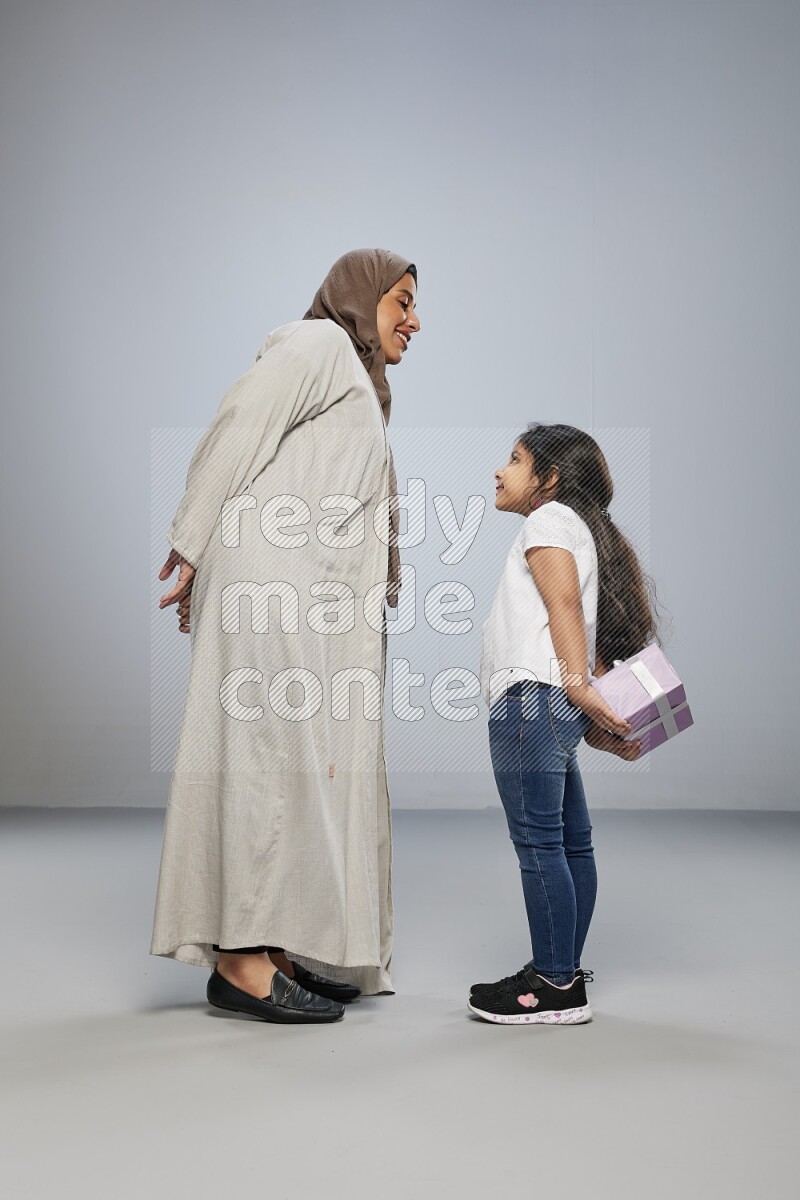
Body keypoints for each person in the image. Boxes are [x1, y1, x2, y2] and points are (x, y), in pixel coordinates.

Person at [151, 249, 420, 1024]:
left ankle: (278, 946)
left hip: (310, 597)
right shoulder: (318, 345)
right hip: (278, 586)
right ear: (359, 297)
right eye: (400, 299)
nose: (413, 319)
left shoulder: (360, 387)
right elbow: (242, 424)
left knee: (310, 769)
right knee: (266, 761)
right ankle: (240, 962)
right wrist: (194, 541)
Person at [470, 423, 661, 1025]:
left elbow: (561, 609)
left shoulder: (548, 522)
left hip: (530, 701)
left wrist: (579, 686)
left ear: (548, 480)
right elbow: (573, 623)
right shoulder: (580, 530)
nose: (500, 470)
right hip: (550, 704)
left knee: (539, 846)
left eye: (515, 459)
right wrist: (590, 711)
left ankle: (554, 984)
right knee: (570, 843)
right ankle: (562, 970)